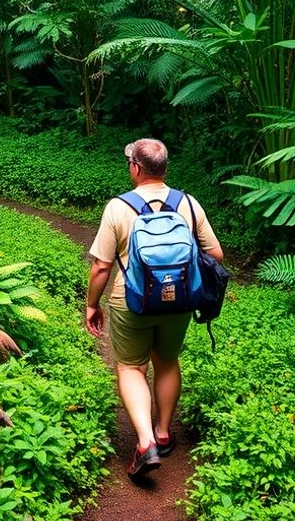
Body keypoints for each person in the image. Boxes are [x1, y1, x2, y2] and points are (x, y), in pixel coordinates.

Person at [85, 138, 224, 479]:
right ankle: (163, 433)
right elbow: (216, 255)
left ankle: (145, 442)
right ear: (164, 168)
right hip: (178, 300)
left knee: (131, 366)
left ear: (135, 168)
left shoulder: (118, 207)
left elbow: (101, 267)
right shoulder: (188, 204)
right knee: (167, 360)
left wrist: (92, 305)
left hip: (130, 301)